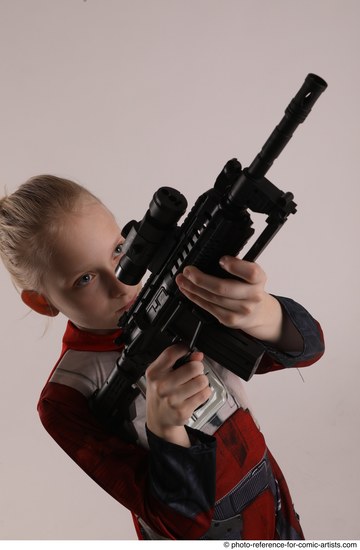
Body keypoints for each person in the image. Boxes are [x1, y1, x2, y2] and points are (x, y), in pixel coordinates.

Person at [0, 174, 324, 540]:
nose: (119, 283)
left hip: (272, 505)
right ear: (42, 302)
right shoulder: (66, 399)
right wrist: (166, 429)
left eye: (119, 251)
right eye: (85, 279)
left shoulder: (178, 296)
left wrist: (264, 315)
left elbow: (309, 350)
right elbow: (178, 525)